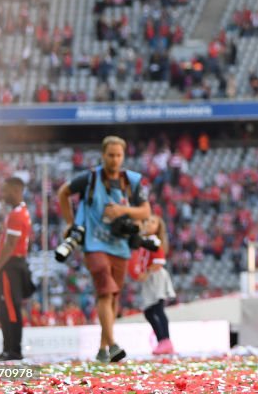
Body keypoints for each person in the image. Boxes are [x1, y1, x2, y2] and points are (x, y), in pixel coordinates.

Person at [57, 136, 151, 362]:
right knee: (105, 291)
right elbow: (63, 193)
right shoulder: (89, 178)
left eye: (119, 155)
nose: (115, 159)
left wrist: (121, 211)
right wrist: (71, 223)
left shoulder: (131, 181)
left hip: (119, 245)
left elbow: (146, 211)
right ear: (103, 155)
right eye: (111, 155)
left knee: (113, 297)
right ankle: (114, 345)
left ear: (124, 156)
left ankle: (102, 350)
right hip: (94, 243)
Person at [0, 177, 33, 361]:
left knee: (10, 309)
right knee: (3, 309)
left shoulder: (17, 215)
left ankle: (13, 351)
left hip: (11, 267)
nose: (2, 195)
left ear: (16, 190)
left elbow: (10, 247)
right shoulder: (16, 213)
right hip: (11, 265)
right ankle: (8, 350)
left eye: (5, 191)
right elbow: (3, 240)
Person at [128, 215, 176, 355]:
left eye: (153, 222)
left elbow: (159, 262)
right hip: (149, 278)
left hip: (156, 276)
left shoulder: (154, 242)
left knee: (157, 309)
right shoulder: (145, 241)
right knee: (150, 311)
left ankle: (166, 340)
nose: (148, 224)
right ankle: (162, 339)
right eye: (147, 221)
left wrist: (146, 273)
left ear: (158, 228)